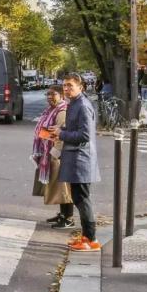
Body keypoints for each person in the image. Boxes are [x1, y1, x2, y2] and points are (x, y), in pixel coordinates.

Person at [50, 73, 101, 252]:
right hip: (76, 158)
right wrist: (60, 129)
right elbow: (75, 128)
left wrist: (62, 134)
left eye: (70, 85)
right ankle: (87, 236)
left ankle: (91, 239)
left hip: (81, 159)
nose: (66, 89)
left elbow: (85, 135)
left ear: (81, 87)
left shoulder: (82, 105)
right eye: (64, 85)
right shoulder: (75, 103)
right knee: (80, 198)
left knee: (82, 199)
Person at [32, 85, 73, 228]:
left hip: (58, 154)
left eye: (53, 94)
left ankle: (68, 218)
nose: (49, 97)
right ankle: (63, 215)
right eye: (47, 94)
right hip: (50, 151)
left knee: (63, 188)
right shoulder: (51, 110)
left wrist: (54, 153)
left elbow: (61, 134)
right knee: (58, 187)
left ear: (61, 95)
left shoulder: (62, 111)